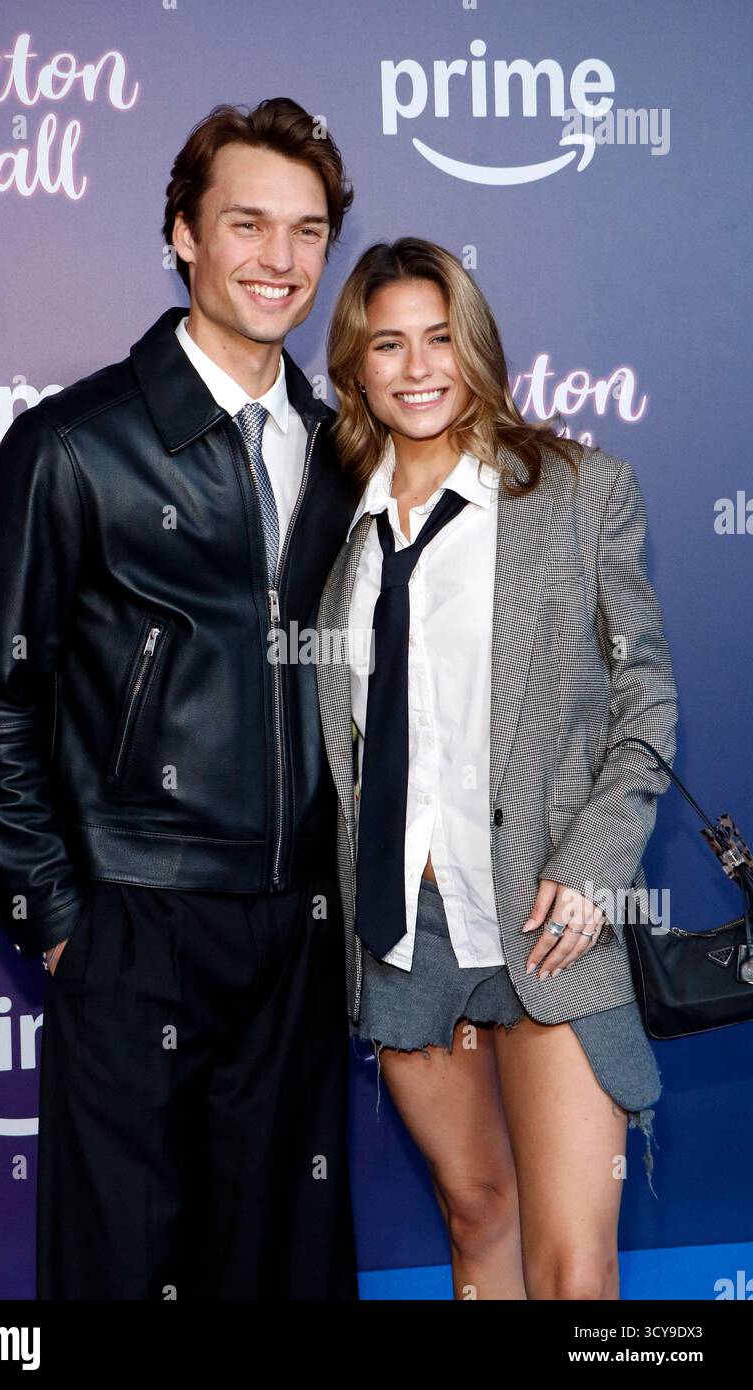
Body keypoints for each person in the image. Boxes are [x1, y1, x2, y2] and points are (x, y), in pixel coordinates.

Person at [0, 97, 360, 1301]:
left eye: (307, 230)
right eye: (246, 224)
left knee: (281, 1262)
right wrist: (62, 917)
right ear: (183, 232)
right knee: (125, 1265)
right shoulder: (71, 447)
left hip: (297, 930)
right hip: (134, 922)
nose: (280, 260)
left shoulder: (340, 450)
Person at [316, 237, 678, 1300]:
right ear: (357, 366)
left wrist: (598, 858)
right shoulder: (330, 523)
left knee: (576, 1265)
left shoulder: (578, 493)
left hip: (543, 911)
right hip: (403, 925)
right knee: (479, 1214)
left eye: (441, 338)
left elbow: (647, 701)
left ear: (476, 349)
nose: (419, 367)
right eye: (389, 344)